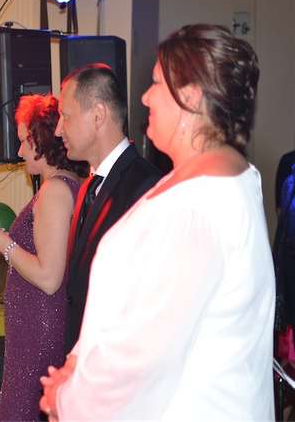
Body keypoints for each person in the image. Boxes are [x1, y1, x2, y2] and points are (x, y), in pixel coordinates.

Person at [40, 24, 275, 421]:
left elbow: (142, 360)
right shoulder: (218, 180)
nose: (145, 97)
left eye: (156, 84)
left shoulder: (195, 208)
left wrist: (67, 397)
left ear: (190, 98)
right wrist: (78, 361)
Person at [0, 93, 88, 421]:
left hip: (38, 329)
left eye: (25, 141)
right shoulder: (66, 185)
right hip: (36, 326)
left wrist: (2, 243)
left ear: (43, 142)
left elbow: (50, 278)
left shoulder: (55, 192)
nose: (20, 151)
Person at [55, 63, 161, 353]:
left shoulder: (146, 187)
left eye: (66, 116)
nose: (58, 129)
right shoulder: (89, 185)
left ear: (98, 115)